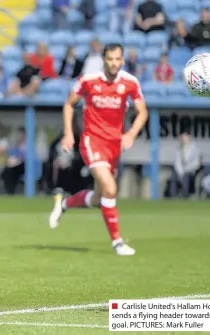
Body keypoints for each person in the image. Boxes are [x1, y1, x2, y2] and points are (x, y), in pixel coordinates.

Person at [48, 43, 148, 256]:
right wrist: (68, 133)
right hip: (92, 142)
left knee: (98, 198)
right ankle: (117, 242)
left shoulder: (130, 82)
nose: (114, 63)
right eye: (110, 59)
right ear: (103, 59)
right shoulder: (88, 80)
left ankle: (64, 203)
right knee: (111, 189)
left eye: (117, 59)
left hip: (114, 146)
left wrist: (130, 133)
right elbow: (68, 104)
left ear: (122, 60)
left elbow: (142, 112)